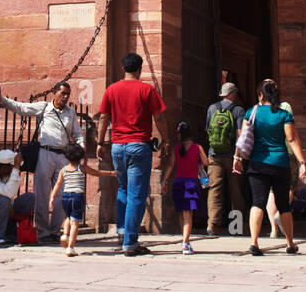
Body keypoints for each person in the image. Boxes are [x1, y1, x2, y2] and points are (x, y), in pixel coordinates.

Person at [96, 52, 169, 257]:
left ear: (123, 68)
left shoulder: (112, 89)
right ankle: (130, 242)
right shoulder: (147, 90)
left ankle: (122, 233)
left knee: (124, 188)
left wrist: (100, 143)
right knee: (137, 194)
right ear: (140, 69)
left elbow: (103, 118)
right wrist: (166, 140)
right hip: (138, 146)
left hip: (118, 146)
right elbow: (160, 118)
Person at [0, 81, 84, 241]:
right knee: (42, 194)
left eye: (67, 94)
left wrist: (81, 150)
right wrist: (2, 100)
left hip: (63, 155)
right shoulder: (44, 107)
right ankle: (43, 231)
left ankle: (55, 230)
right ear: (54, 92)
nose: (65, 97)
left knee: (63, 194)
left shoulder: (70, 113)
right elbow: (21, 108)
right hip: (45, 152)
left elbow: (77, 133)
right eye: (62, 93)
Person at [233, 77, 306, 256]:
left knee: (257, 203)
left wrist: (237, 157)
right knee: (284, 205)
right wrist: (302, 162)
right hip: (280, 164)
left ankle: (254, 242)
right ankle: (290, 244)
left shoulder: (252, 112)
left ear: (260, 95)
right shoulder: (284, 115)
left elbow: (243, 137)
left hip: (257, 164)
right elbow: (291, 139)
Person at [48, 143, 118, 256]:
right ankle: (70, 248)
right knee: (75, 223)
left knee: (67, 218)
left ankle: (65, 234)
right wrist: (112, 173)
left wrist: (52, 196)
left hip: (66, 196)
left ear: (66, 156)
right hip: (77, 196)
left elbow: (58, 183)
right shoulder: (82, 168)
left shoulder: (63, 170)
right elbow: (97, 173)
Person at [205, 81, 250, 236]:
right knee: (235, 190)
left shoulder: (212, 108)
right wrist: (239, 156)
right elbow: (240, 134)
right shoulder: (238, 110)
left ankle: (213, 223)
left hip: (214, 154)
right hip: (232, 156)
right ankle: (236, 226)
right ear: (233, 94)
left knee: (214, 188)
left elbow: (208, 130)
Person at [162, 121, 209, 254]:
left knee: (182, 214)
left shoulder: (176, 149)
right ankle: (185, 244)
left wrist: (164, 182)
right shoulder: (197, 147)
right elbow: (206, 162)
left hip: (178, 183)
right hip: (191, 184)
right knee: (188, 215)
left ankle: (185, 240)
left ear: (179, 134)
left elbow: (170, 166)